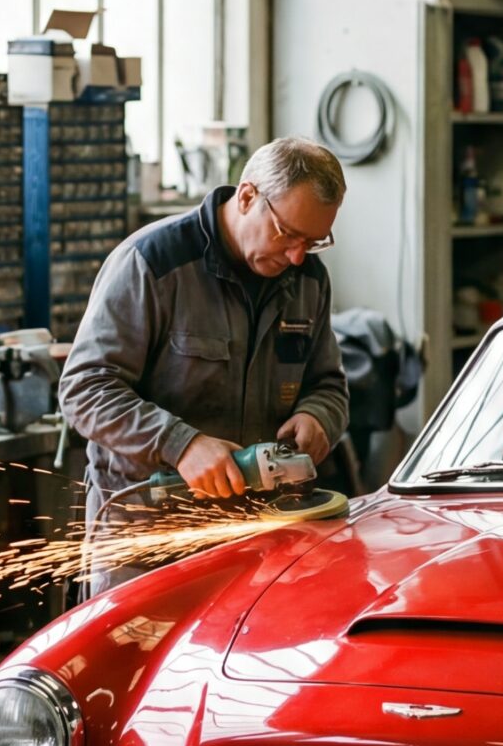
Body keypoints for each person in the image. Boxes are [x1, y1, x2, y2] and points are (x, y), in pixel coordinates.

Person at [58, 137, 349, 591]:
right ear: (248, 196)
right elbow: (85, 388)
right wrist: (181, 444)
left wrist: (319, 417)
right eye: (287, 233)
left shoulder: (308, 279)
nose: (296, 255)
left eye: (312, 242)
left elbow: (329, 383)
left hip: (260, 535)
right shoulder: (153, 264)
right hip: (148, 540)